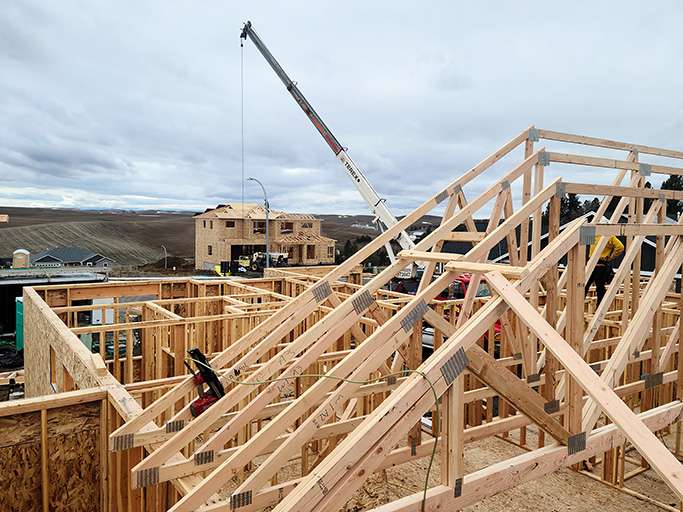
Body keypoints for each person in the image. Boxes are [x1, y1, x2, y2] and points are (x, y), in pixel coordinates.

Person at [585, 235, 624, 304]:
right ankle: (597, 308)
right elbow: (620, 247)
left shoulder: (602, 234)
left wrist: (610, 257)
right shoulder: (608, 235)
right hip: (596, 264)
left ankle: (598, 310)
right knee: (598, 287)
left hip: (596, 264)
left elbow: (620, 247)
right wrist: (611, 257)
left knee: (587, 286)